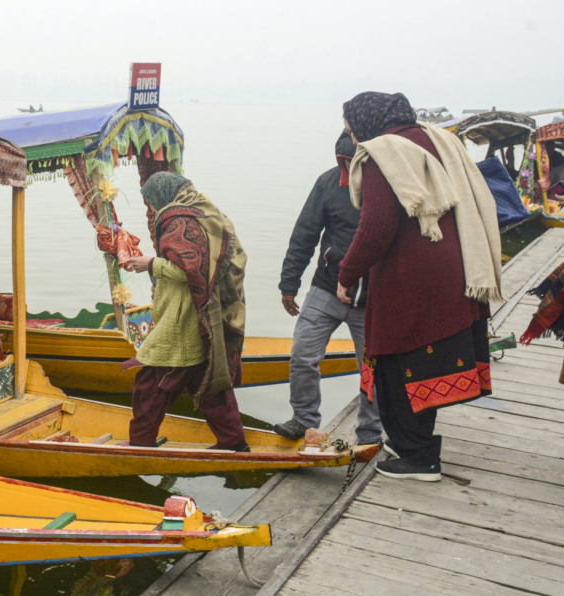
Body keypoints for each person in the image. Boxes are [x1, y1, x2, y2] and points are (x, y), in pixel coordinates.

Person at [337, 92, 501, 481]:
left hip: (411, 278)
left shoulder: (383, 154)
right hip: (457, 266)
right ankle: (416, 445)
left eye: (351, 129)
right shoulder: (437, 139)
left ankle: (419, 457)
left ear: (367, 122)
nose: (354, 139)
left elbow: (375, 228)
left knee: (396, 363)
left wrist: (346, 274)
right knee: (422, 361)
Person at [122, 172, 249, 452]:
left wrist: (151, 264)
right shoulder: (204, 210)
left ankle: (140, 443)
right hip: (205, 315)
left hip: (183, 318)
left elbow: (191, 269)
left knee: (151, 382)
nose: (153, 209)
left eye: (152, 203)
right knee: (207, 382)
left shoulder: (180, 221)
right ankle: (234, 442)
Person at [273, 132, 382, 445]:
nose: (347, 172)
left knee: (372, 369)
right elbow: (304, 233)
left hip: (371, 297)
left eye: (352, 164)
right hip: (326, 288)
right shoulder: (327, 183)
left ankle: (371, 432)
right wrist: (288, 284)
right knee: (302, 355)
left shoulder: (388, 189)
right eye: (342, 164)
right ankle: (303, 419)